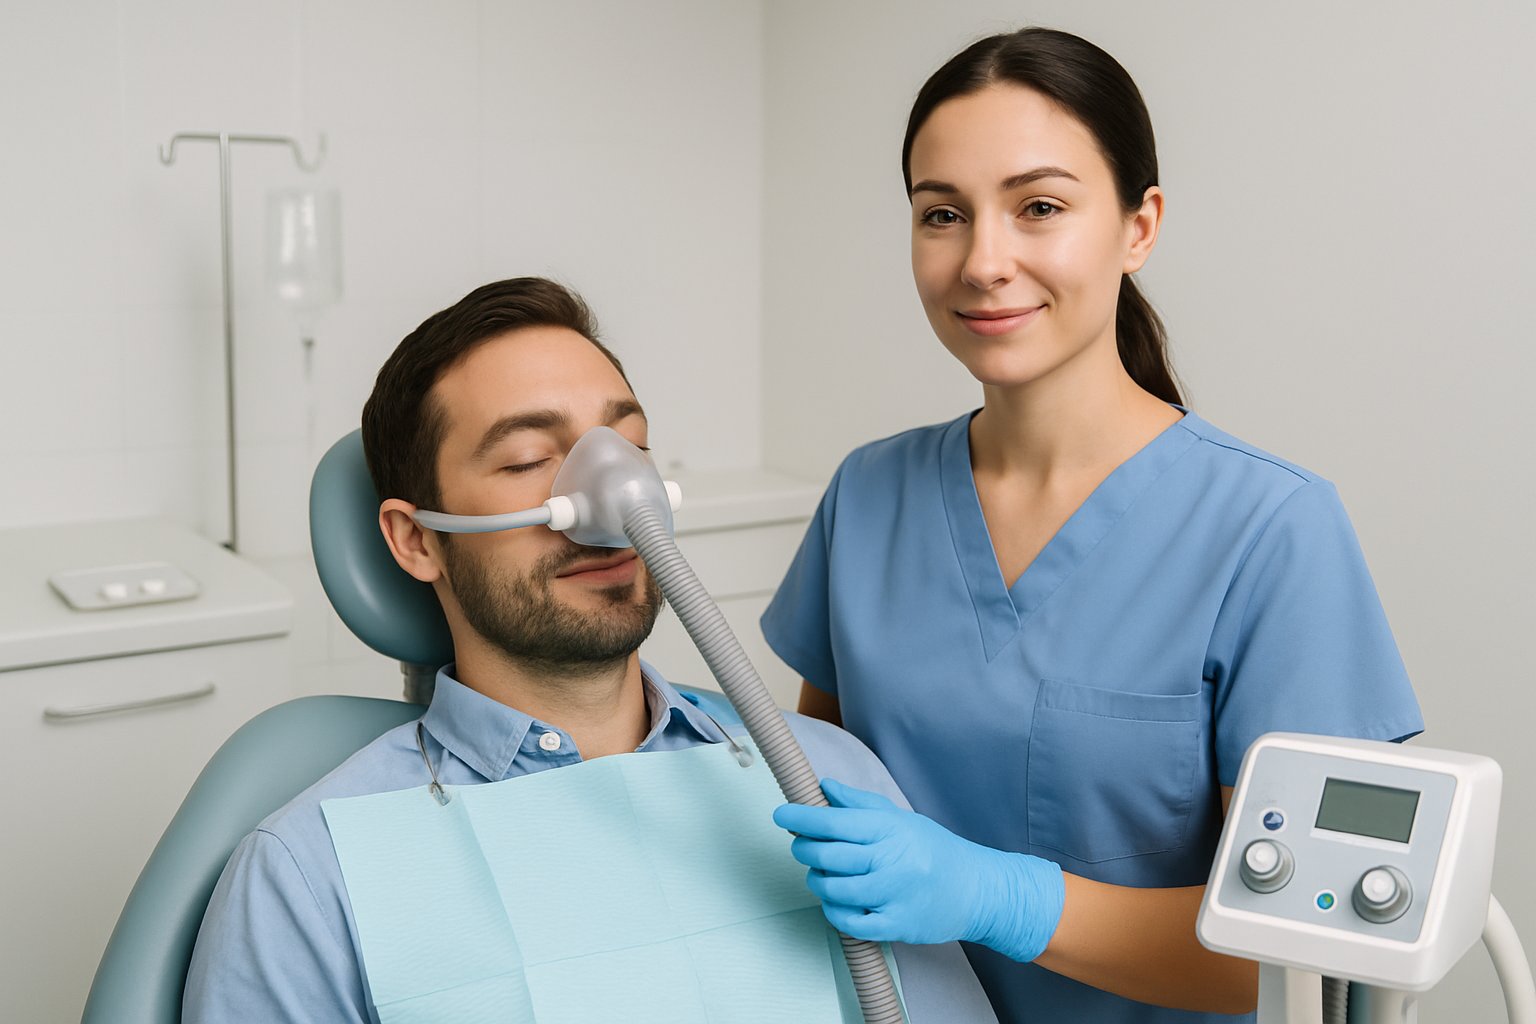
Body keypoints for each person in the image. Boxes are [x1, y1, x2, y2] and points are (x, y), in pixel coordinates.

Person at [763, 27, 1424, 1024]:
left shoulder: (1271, 531)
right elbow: (815, 801)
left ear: (1138, 225)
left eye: (1039, 207)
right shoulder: (868, 497)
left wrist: (1004, 898)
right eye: (942, 214)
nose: (985, 261)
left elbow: (1312, 962)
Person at [182, 278, 996, 1022]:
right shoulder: (308, 876)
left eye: (628, 448)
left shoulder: (831, 785)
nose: (607, 495)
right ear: (415, 540)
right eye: (531, 459)